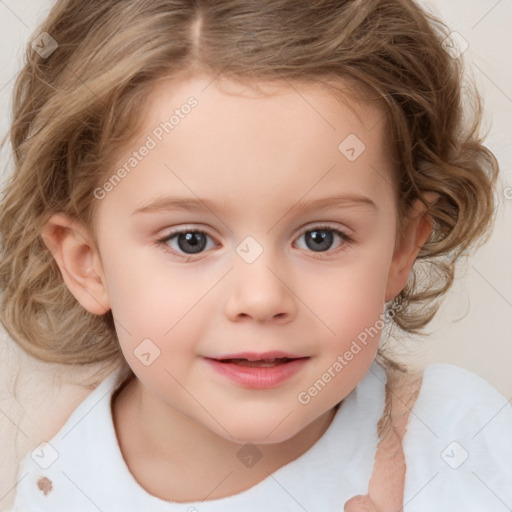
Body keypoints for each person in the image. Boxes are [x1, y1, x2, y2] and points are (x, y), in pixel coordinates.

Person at [1, 0, 510, 510]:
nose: (262, 298)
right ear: (87, 263)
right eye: (190, 240)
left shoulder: (459, 445)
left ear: (401, 247)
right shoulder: (55, 482)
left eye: (320, 238)